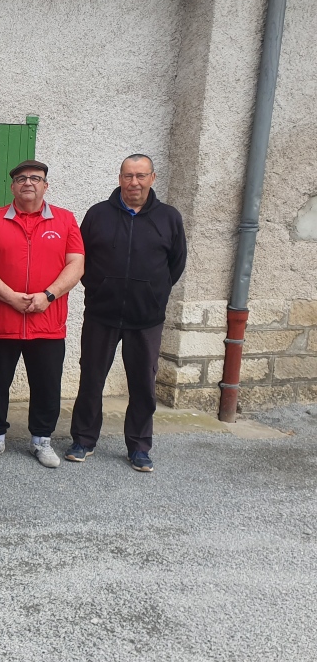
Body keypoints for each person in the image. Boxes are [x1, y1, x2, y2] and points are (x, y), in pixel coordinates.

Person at [66, 154, 187, 473]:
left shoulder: (169, 218)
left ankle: (139, 446)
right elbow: (80, 258)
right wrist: (99, 288)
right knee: (91, 379)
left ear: (152, 178)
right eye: (128, 176)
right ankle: (83, 439)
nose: (134, 182)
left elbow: (176, 264)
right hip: (101, 315)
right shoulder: (98, 214)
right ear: (120, 178)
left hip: (146, 319)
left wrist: (153, 293)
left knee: (143, 384)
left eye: (141, 175)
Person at [0, 160, 85, 469]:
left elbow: (76, 264)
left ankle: (41, 440)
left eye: (35, 178)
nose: (28, 183)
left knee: (47, 384)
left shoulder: (65, 220)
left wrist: (48, 295)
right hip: (0, 320)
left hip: (47, 320)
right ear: (12, 187)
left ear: (45, 186)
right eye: (21, 178)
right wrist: (10, 297)